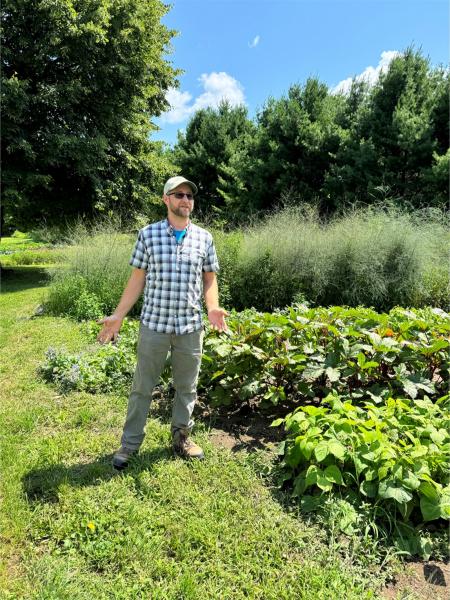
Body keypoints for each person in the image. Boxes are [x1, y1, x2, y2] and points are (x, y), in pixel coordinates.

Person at [97, 176, 228, 469]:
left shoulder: (204, 238)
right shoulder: (148, 235)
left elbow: (210, 279)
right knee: (142, 387)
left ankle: (182, 438)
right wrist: (118, 315)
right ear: (165, 199)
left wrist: (213, 307)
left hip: (190, 327)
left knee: (187, 387)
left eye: (189, 196)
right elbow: (137, 279)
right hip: (154, 325)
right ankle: (130, 444)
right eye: (179, 194)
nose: (185, 200)